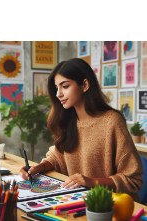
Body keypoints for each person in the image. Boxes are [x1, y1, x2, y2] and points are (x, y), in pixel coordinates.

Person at [19, 58, 144, 202]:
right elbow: (57, 157)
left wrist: (91, 181)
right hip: (81, 202)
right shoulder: (68, 121)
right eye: (56, 88)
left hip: (114, 208)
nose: (58, 94)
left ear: (85, 84)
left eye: (65, 86)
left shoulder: (112, 122)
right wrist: (37, 168)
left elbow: (133, 179)